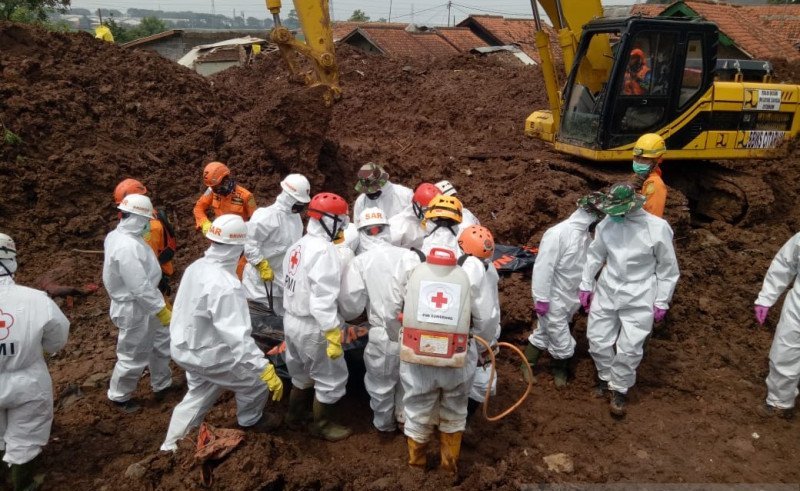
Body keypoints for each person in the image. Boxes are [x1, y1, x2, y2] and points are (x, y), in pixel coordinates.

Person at [160, 215, 284, 451]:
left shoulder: (196, 267)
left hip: (182, 345)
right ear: (239, 246)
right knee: (255, 382)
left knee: (201, 390)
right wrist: (263, 368)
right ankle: (251, 421)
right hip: (206, 353)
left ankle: (171, 446)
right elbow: (238, 339)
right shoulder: (226, 285)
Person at [579, 183, 679, 417]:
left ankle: (619, 389)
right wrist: (586, 283)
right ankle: (605, 377)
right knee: (597, 338)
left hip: (640, 290)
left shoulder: (657, 229)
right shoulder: (607, 224)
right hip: (608, 286)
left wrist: (662, 300)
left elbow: (668, 268)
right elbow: (595, 255)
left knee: (630, 347)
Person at [400, 243, 497, 473]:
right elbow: (485, 318)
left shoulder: (414, 267)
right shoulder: (466, 271)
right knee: (455, 410)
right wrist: (484, 345)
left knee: (416, 409)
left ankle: (416, 468)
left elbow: (394, 308)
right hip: (456, 359)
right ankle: (448, 469)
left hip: (418, 359)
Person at [339, 208, 420, 433]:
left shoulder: (360, 262)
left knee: (381, 384)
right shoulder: (410, 255)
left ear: (363, 233)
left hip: (382, 334)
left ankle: (384, 426)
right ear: (386, 229)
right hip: (413, 332)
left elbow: (351, 306)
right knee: (410, 381)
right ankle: (407, 423)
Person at [0, 233, 70, 490]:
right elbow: (57, 338)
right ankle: (23, 483)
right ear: (12, 261)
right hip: (27, 379)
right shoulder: (36, 300)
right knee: (26, 436)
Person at [282, 192, 352, 441]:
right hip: (314, 327)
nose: (342, 227)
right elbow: (322, 299)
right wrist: (333, 333)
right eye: (341, 222)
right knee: (331, 378)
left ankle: (295, 415)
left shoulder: (298, 245)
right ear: (329, 220)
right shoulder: (324, 251)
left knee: (301, 373)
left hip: (291, 320)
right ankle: (322, 424)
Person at [523, 192, 605, 387]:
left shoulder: (585, 237)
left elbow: (585, 268)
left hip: (570, 298)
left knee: (544, 331)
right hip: (553, 298)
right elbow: (544, 267)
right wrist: (541, 297)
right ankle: (560, 370)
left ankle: (527, 364)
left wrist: (588, 291)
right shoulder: (558, 233)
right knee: (562, 340)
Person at [103, 194, 174, 413]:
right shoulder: (126, 246)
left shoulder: (124, 237)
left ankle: (162, 383)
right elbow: (139, 285)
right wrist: (160, 309)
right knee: (133, 353)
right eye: (145, 221)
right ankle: (120, 396)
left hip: (146, 303)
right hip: (136, 307)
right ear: (133, 218)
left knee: (161, 342)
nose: (148, 225)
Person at [242, 174, 311, 314]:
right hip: (259, 283)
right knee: (259, 321)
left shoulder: (295, 218)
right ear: (288, 197)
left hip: (282, 280)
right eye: (298, 202)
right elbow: (250, 243)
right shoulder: (265, 216)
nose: (300, 206)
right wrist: (261, 265)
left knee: (277, 323)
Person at [754, 231, 800, 419]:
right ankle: (779, 402)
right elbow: (785, 263)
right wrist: (766, 298)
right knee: (784, 352)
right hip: (798, 307)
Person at [458, 225, 502, 419]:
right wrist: (484, 344)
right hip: (473, 336)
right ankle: (461, 422)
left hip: (465, 335)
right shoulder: (479, 268)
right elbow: (486, 315)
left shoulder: (475, 266)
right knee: (480, 383)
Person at [114, 178, 177, 295]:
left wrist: (158, 283)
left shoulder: (149, 228)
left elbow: (148, 262)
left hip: (156, 278)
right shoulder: (146, 216)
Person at [193, 161, 257, 234]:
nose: (214, 190)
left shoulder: (246, 196)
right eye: (212, 187)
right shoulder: (211, 191)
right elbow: (198, 208)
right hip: (219, 233)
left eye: (216, 186)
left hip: (238, 236)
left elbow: (254, 221)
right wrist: (204, 223)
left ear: (225, 180)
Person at [389, 182, 440, 250]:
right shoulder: (397, 227)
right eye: (427, 209)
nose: (431, 214)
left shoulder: (433, 222)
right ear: (417, 205)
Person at [631, 133, 667, 218]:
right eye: (637, 157)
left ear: (659, 159)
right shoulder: (638, 178)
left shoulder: (655, 184)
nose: (639, 162)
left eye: (645, 159)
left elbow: (653, 220)